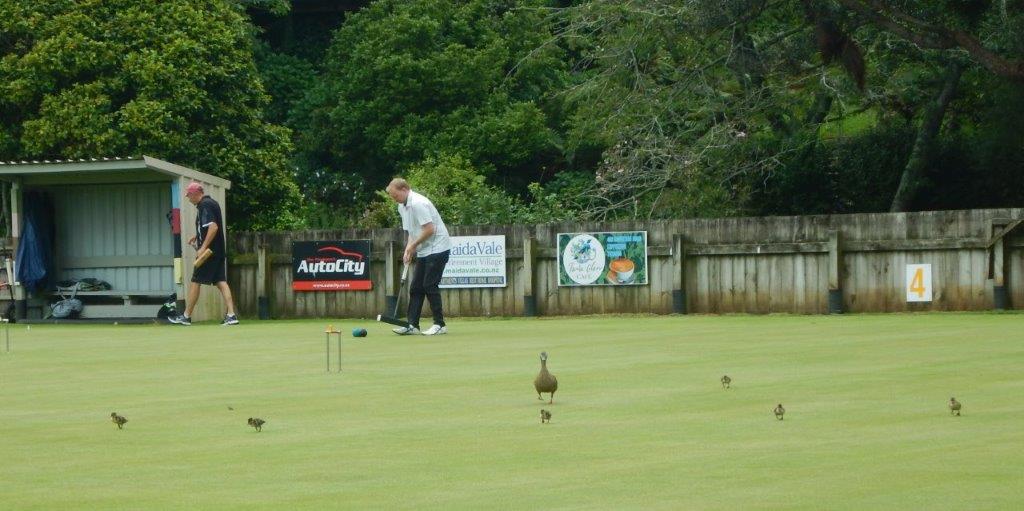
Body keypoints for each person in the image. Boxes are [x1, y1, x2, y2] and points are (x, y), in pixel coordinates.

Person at [386, 178, 451, 336]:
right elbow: (411, 232)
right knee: (416, 287)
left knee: (429, 285)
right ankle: (412, 325)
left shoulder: (418, 203)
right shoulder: (402, 207)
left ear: (404, 189)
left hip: (439, 247)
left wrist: (413, 245)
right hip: (424, 250)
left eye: (395, 195)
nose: (394, 199)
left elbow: (429, 229)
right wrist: (409, 248)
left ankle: (440, 324)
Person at [169, 182, 239, 326]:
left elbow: (213, 227)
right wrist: (197, 235)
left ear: (196, 194)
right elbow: (208, 227)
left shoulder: (204, 206)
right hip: (218, 251)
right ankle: (231, 315)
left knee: (196, 281)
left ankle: (186, 316)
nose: (189, 199)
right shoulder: (212, 203)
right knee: (221, 281)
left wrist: (203, 248)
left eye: (189, 195)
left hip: (208, 253)